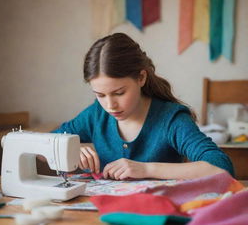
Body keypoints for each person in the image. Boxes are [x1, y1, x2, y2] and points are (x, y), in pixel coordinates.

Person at [53, 33, 234, 180]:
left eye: (119, 93)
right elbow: (44, 142)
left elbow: (222, 168)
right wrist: (66, 146)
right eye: (100, 95)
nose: (110, 105)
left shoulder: (171, 119)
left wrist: (147, 169)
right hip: (106, 216)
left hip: (159, 217)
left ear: (141, 78)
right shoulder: (96, 115)